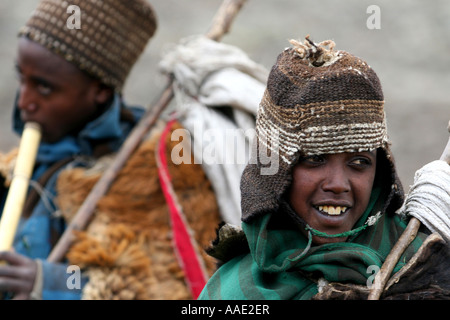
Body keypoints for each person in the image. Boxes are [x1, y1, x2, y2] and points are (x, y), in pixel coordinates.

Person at [198, 36, 450, 300]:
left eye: (359, 162)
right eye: (315, 159)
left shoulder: (423, 267)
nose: (338, 183)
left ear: (380, 174)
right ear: (275, 172)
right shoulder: (234, 293)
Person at [0, 0, 157, 299]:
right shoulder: (21, 165)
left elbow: (149, 285)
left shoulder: (140, 174)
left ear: (100, 91)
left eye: (45, 88)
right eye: (22, 79)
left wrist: (49, 282)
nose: (24, 103)